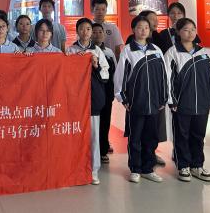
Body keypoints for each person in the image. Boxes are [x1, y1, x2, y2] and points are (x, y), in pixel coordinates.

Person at [114, 16, 168, 184]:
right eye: (140, 27)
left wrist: (163, 98)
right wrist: (123, 98)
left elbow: (164, 75)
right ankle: (135, 169)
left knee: (151, 137)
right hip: (135, 103)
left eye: (146, 27)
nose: (143, 30)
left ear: (150, 30)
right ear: (133, 30)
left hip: (155, 103)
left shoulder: (156, 50)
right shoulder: (128, 51)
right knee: (135, 138)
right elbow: (120, 76)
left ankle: (148, 169)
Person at [165, 18, 210, 183]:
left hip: (202, 103)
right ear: (178, 32)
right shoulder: (172, 53)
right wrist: (172, 101)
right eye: (186, 30)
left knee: (199, 136)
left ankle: (197, 165)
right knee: (182, 136)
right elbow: (168, 79)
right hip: (182, 104)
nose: (190, 33)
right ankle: (183, 166)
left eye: (193, 29)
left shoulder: (203, 52)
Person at [66, 18, 109, 185]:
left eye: (88, 29)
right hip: (75, 99)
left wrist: (96, 65)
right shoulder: (70, 50)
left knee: (93, 136)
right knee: (75, 135)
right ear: (77, 31)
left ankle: (93, 170)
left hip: (93, 99)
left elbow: (105, 75)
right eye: (82, 29)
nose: (85, 32)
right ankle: (75, 168)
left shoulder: (97, 51)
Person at [92, 23, 117, 162]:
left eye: (100, 32)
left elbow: (115, 73)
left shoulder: (109, 52)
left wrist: (114, 91)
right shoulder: (87, 51)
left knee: (105, 120)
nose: (97, 35)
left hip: (107, 92)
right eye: (94, 32)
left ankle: (103, 150)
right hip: (92, 93)